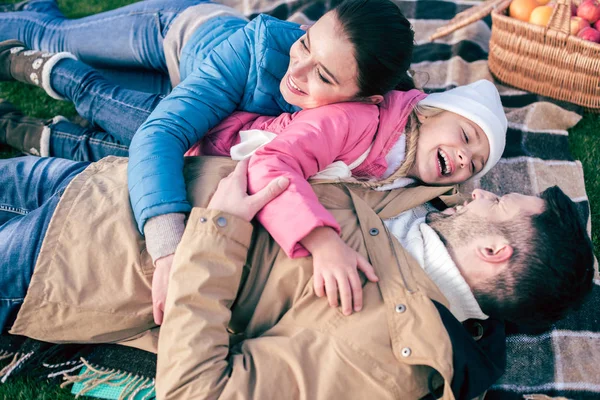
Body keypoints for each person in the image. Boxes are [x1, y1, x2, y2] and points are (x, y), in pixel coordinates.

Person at [0, 155, 594, 399]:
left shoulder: (387, 357)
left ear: (494, 251)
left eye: (500, 205)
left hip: (75, 258)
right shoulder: (430, 220)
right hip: (118, 179)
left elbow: (199, 391)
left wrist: (221, 230)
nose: (485, 192)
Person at [0, 0, 418, 294]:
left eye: (323, 76)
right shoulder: (255, 47)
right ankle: (35, 17)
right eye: (306, 42)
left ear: (366, 100)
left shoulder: (364, 119)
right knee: (46, 36)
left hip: (179, 89)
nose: (297, 70)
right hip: (178, 32)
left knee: (103, 91)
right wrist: (168, 251)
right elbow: (161, 133)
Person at [0, 78, 508, 317]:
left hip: (203, 174)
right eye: (465, 137)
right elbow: (272, 166)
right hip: (214, 144)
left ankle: (36, 130)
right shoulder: (362, 120)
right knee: (123, 118)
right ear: (427, 111)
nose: (465, 159)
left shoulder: (415, 179)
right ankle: (49, 66)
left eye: (476, 162)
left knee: (90, 156)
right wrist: (321, 240)